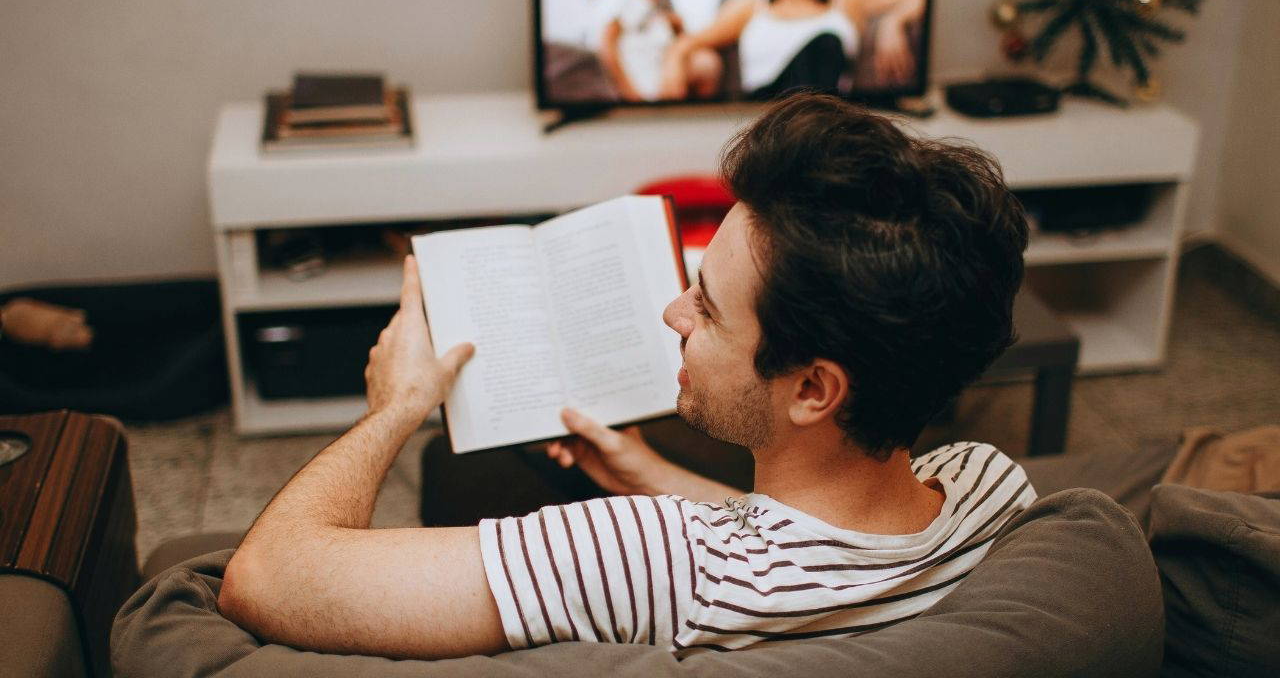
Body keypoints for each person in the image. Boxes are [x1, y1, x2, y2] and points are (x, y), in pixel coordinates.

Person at [217, 93, 1035, 660]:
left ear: (813, 390)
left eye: (708, 307)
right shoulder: (993, 490)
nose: (674, 314)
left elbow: (264, 579)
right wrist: (649, 472)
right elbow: (808, 546)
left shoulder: (654, 556)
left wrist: (393, 408)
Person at [659, 0, 926, 99]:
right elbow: (690, 42)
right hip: (767, 110)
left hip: (822, 114)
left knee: (825, 43)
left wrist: (894, 21)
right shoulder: (752, 7)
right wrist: (674, 59)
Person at [587, 0, 721, 101]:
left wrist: (676, 25)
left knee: (705, 62)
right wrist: (630, 94)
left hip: (664, 70)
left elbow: (678, 36)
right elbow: (606, 46)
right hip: (641, 82)